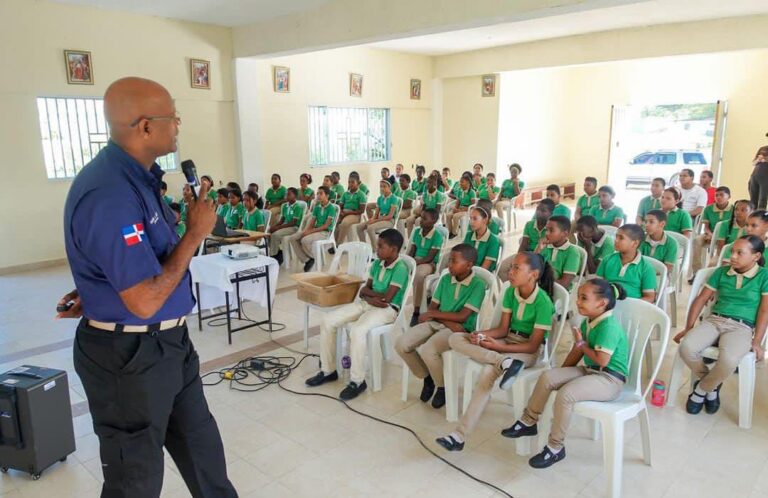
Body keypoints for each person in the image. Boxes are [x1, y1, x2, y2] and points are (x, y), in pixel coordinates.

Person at [59, 77, 236, 497]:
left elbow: (134, 262)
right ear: (144, 127)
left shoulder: (140, 179)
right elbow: (142, 300)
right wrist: (195, 234)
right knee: (135, 481)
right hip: (129, 359)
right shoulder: (109, 193)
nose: (178, 124)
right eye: (172, 117)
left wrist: (99, 291)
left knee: (204, 455)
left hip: (169, 345)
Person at [502, 279, 628, 469]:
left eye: (584, 298)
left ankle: (555, 447)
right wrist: (561, 373)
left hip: (610, 379)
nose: (578, 302)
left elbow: (601, 360)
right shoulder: (590, 321)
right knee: (548, 377)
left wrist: (581, 344)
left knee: (566, 394)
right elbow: (578, 352)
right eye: (578, 297)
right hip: (591, 371)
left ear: (601, 304)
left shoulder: (608, 327)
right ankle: (529, 421)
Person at [437, 252, 555, 451]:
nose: (511, 272)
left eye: (517, 268)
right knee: (456, 338)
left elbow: (533, 346)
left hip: (526, 350)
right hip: (506, 341)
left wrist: (498, 346)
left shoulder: (543, 303)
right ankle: (504, 362)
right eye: (511, 267)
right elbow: (502, 329)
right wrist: (480, 335)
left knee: (486, 373)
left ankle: (459, 435)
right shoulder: (511, 291)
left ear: (533, 275)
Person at [305, 229, 408, 400]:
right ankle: (328, 370)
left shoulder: (400, 268)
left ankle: (358, 381)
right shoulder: (377, 264)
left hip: (387, 309)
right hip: (368, 303)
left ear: (394, 249)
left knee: (358, 330)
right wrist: (371, 296)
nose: (377, 249)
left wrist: (371, 295)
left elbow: (387, 298)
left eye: (381, 247)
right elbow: (363, 290)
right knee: (328, 320)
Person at [676, 235, 768, 415]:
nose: (733, 256)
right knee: (686, 347)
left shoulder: (764, 276)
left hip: (741, 326)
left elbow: (765, 311)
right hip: (714, 320)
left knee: (729, 360)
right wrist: (689, 327)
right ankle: (712, 385)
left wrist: (757, 341)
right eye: (732, 251)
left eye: (739, 253)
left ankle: (701, 390)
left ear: (756, 256)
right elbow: (701, 299)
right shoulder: (721, 272)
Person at [395, 244, 486, 409]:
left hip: (460, 331)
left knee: (429, 350)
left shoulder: (478, 285)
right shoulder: (445, 279)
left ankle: (442, 387)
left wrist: (437, 317)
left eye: (454, 261)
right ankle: (427, 376)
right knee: (401, 344)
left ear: (469, 264)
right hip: (445, 324)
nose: (449, 264)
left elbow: (463, 316)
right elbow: (432, 309)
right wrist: (445, 319)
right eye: (450, 260)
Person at [596, 224, 657, 303]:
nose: (616, 240)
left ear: (635, 243)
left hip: (633, 308)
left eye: (621, 238)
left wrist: (628, 306)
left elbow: (650, 297)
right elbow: (596, 286)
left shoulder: (646, 267)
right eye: (616, 236)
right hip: (607, 304)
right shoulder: (607, 259)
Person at [288, 186, 337, 272]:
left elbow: (326, 226)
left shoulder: (331, 208)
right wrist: (307, 231)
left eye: (321, 193)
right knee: (293, 238)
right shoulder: (317, 207)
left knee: (304, 240)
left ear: (327, 196)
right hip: (316, 229)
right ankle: (308, 260)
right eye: (317, 193)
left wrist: (310, 232)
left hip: (325, 232)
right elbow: (312, 222)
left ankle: (314, 259)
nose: (318, 195)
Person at [408, 208, 443, 326]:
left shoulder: (437, 236)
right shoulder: (417, 231)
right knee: (400, 269)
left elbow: (430, 257)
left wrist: (415, 263)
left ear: (433, 221)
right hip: (417, 260)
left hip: (429, 264)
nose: (420, 220)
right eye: (421, 217)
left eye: (424, 218)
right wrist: (408, 261)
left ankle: (416, 310)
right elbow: (412, 250)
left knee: (418, 275)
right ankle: (396, 304)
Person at [692, 186, 732, 275]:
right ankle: (697, 272)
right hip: (709, 233)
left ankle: (711, 272)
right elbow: (706, 227)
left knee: (720, 250)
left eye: (721, 195)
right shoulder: (708, 208)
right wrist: (710, 234)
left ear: (729, 196)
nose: (718, 197)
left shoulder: (733, 209)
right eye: (716, 195)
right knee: (697, 240)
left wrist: (717, 238)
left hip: (725, 236)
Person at [356, 179, 399, 250]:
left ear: (389, 187)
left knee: (370, 228)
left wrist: (375, 221)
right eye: (381, 186)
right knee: (359, 227)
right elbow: (376, 214)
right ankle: (364, 248)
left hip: (389, 220)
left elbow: (390, 216)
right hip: (380, 218)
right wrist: (372, 219)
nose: (382, 188)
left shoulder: (393, 198)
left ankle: (375, 250)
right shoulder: (380, 198)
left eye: (384, 186)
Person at [540, 216, 581, 290]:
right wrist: (538, 248)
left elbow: (564, 284)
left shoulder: (573, 253)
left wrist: (539, 281)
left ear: (564, 234)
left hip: (559, 292)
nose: (546, 233)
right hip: (540, 287)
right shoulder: (544, 246)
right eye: (546, 230)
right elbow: (530, 267)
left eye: (551, 230)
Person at [267, 187, 304, 263]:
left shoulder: (297, 207)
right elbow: (282, 220)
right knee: (268, 231)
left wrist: (278, 228)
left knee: (275, 234)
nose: (286, 196)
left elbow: (293, 222)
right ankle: (277, 251)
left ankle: (274, 255)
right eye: (286, 194)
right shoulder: (285, 206)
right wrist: (275, 226)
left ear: (295, 196)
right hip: (285, 226)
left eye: (289, 194)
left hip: (294, 227)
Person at [463, 205, 501, 272]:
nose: (471, 222)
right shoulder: (469, 235)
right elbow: (463, 256)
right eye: (470, 218)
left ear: (485, 220)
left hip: (482, 274)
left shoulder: (493, 241)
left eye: (475, 219)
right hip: (467, 270)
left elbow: (484, 268)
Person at [640, 210, 678, 275]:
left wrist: (649, 274)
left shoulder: (672, 243)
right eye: (646, 222)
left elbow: (668, 268)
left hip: (660, 275)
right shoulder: (640, 238)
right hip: (640, 273)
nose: (647, 225)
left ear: (662, 224)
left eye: (651, 222)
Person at [335, 175, 366, 245]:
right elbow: (340, 206)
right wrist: (341, 213)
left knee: (344, 224)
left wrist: (347, 213)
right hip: (344, 212)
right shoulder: (345, 194)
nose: (350, 184)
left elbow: (362, 210)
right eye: (349, 182)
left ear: (357, 183)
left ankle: (338, 245)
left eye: (352, 182)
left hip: (355, 214)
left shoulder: (361, 194)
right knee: (334, 222)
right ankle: (333, 242)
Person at [448, 174, 477, 238]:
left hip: (468, 210)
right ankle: (449, 231)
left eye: (462, 182)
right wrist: (456, 208)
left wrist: (461, 210)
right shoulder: (460, 191)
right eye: (460, 182)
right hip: (460, 208)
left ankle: (454, 232)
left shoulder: (472, 192)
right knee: (448, 215)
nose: (460, 183)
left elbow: (472, 206)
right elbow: (458, 201)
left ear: (468, 183)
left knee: (455, 216)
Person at [748, 146, 768, 210]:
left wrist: (765, 159)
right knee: (753, 198)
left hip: (765, 178)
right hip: (755, 177)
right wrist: (758, 159)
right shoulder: (762, 148)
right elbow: (753, 163)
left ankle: (761, 216)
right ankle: (753, 215)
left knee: (762, 199)